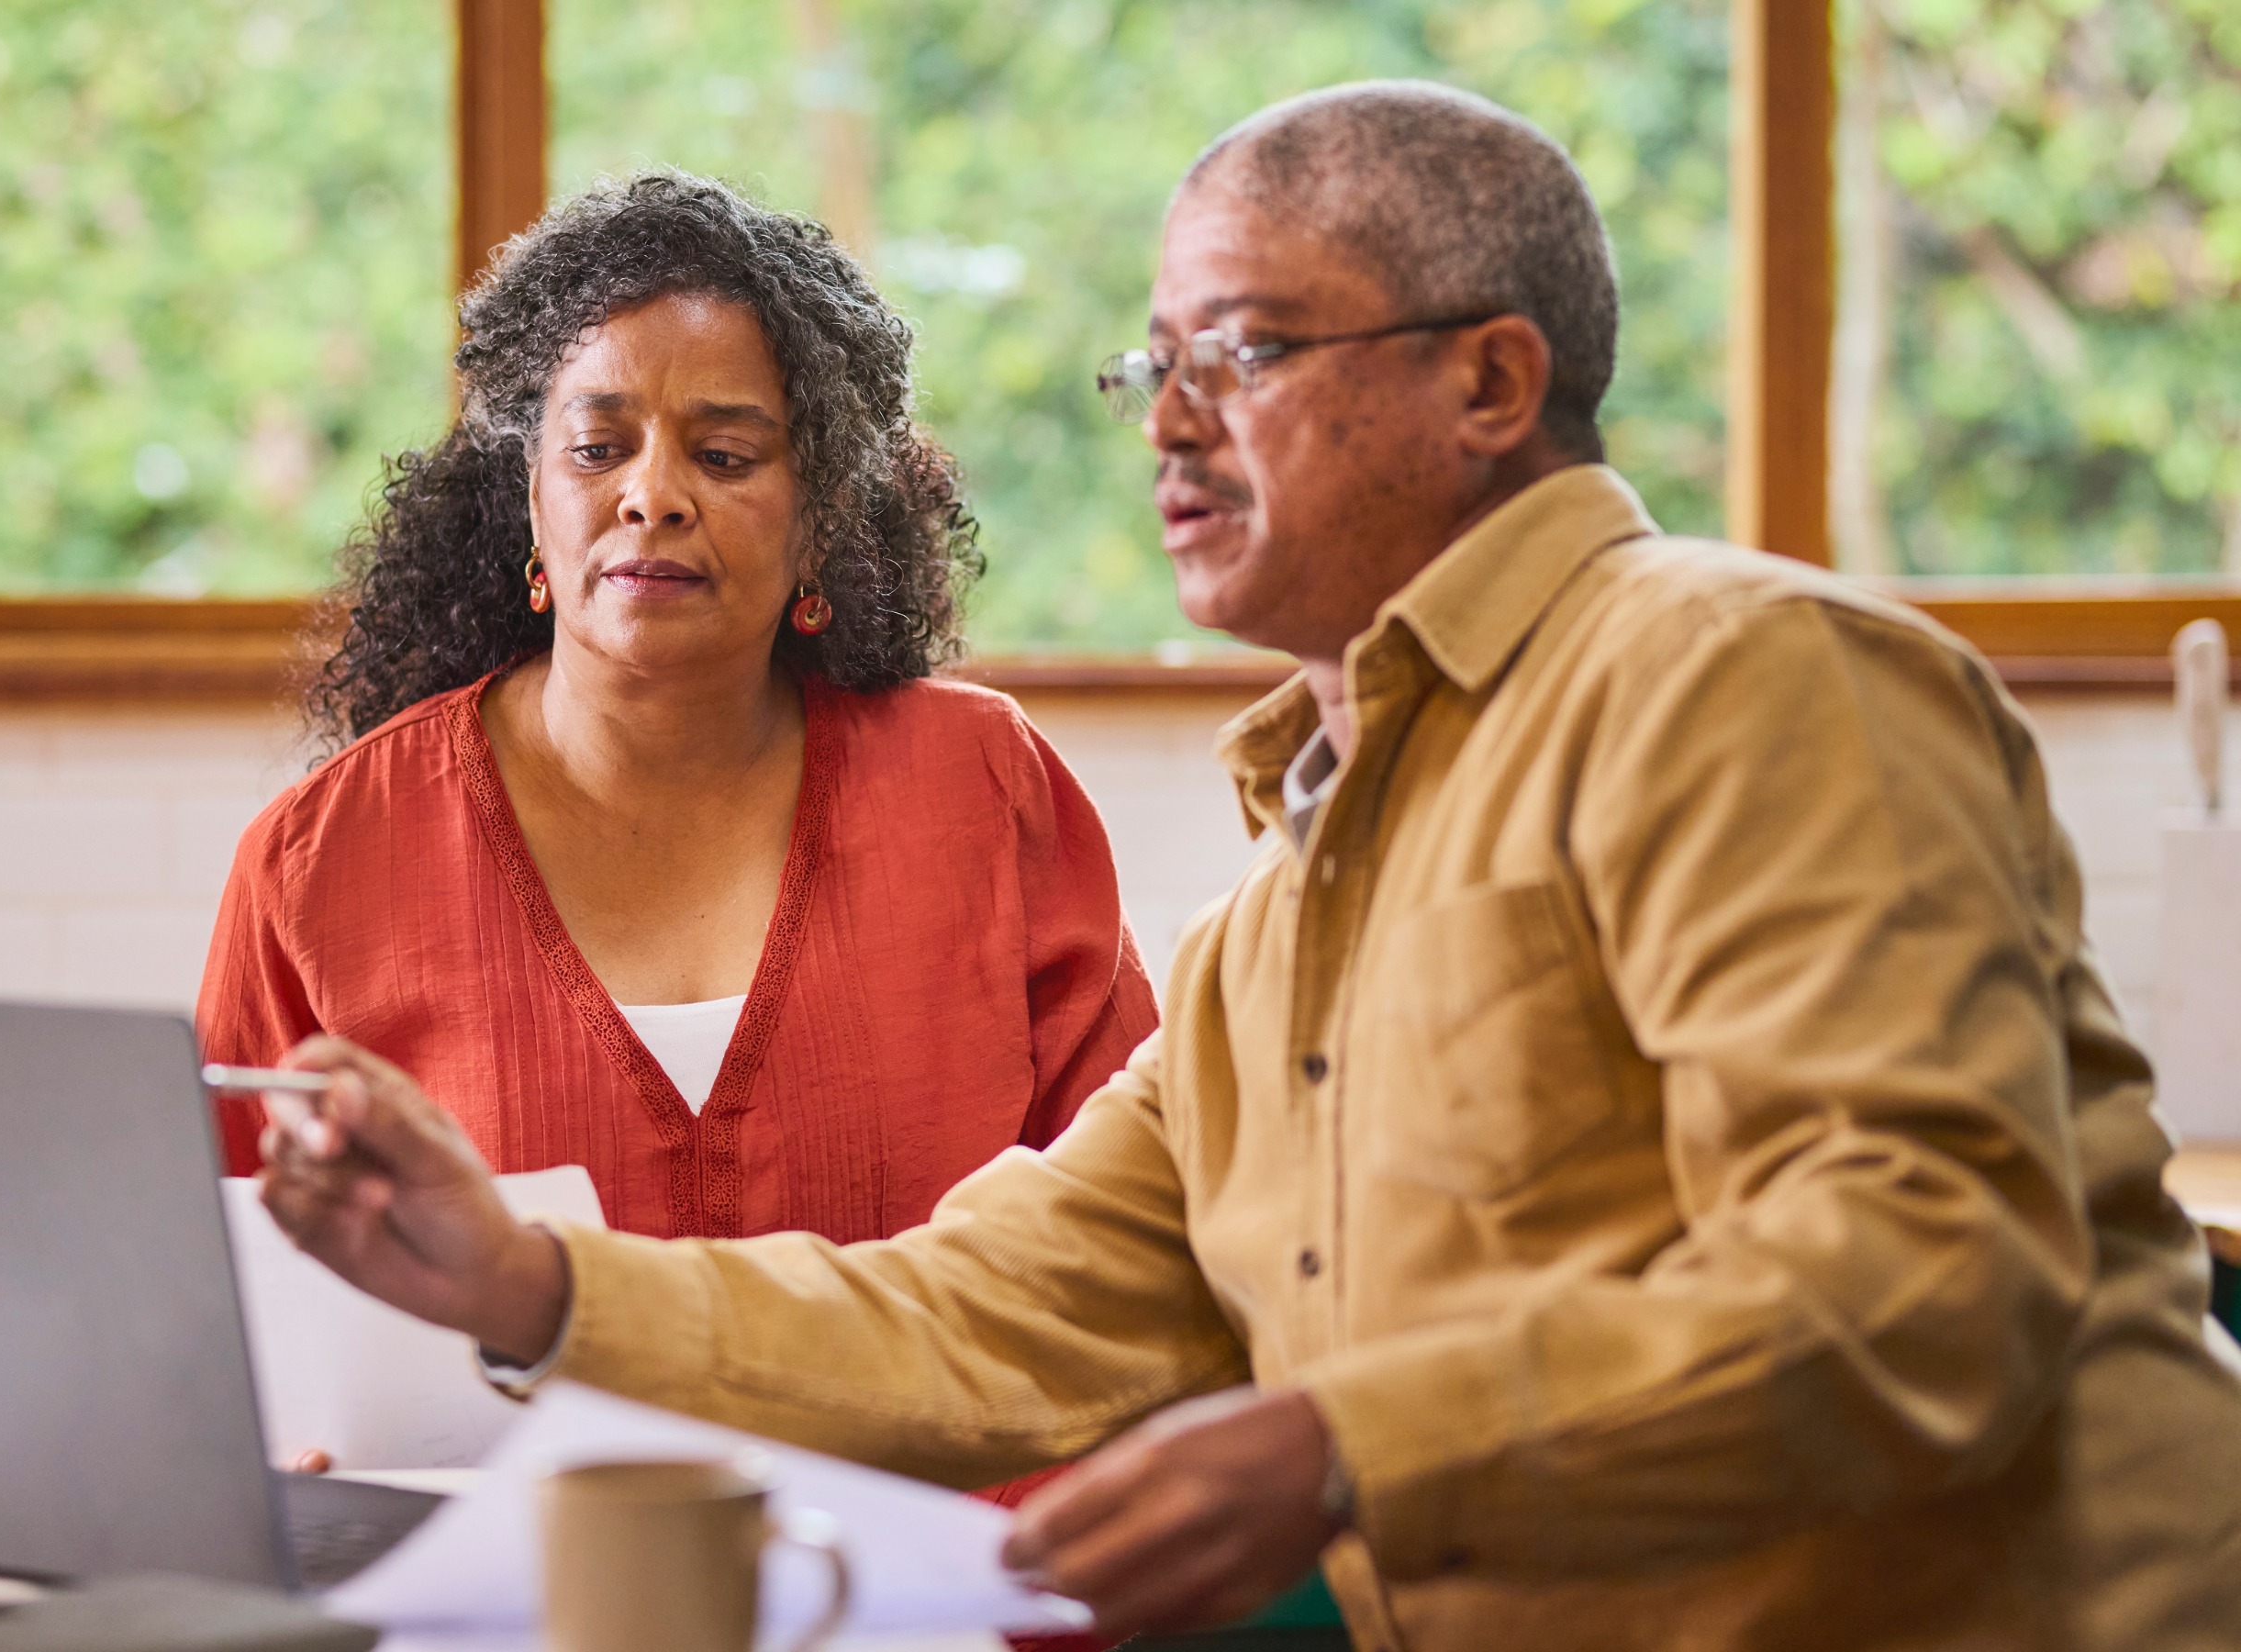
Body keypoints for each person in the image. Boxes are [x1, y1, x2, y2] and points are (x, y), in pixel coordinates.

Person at [250, 83, 2241, 1650]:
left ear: (1489, 385)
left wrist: (1349, 1444)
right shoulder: (1283, 914)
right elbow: (984, 1314)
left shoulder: (1736, 672)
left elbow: (1922, 1275)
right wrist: (519, 1281)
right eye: (1153, 365)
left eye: (1250, 348)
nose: (1172, 419)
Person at [199, 173, 1156, 1245]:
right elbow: (228, 1293)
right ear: (530, 499)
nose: (651, 495)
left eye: (724, 456)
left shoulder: (983, 791)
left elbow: (1133, 1217)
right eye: (597, 449)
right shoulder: (317, 862)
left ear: (816, 520)